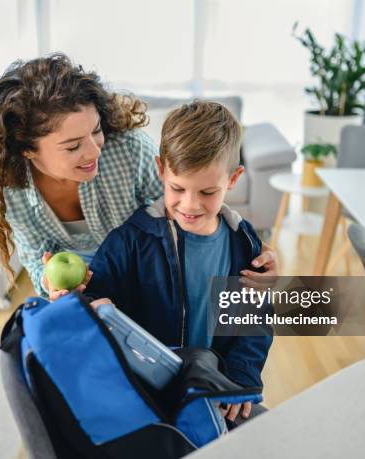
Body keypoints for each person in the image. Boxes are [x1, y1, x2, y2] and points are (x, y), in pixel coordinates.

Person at [0, 53, 278, 300]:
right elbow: (36, 257)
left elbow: (187, 205)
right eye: (73, 146)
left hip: (145, 282)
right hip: (84, 292)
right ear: (27, 150)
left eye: (96, 131)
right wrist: (51, 283)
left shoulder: (129, 151)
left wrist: (246, 249)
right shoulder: (11, 187)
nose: (93, 151)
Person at [85, 101, 273, 425]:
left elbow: (253, 320)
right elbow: (93, 300)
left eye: (207, 192)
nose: (190, 204)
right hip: (145, 393)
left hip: (213, 389)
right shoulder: (131, 241)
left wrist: (242, 377)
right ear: (161, 169)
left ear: (234, 178)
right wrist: (84, 301)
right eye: (177, 188)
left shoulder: (244, 244)